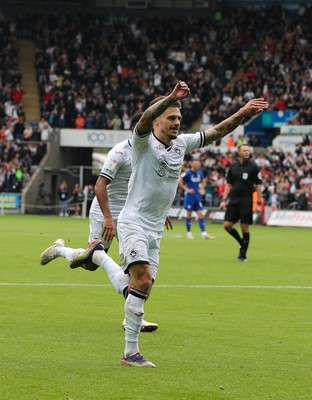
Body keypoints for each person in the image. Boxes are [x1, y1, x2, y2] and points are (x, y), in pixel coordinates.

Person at [62, 81, 268, 368]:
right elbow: (144, 119)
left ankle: (96, 256)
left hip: (155, 228)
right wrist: (170, 97)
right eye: (171, 117)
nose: (176, 122)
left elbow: (218, 131)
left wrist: (243, 112)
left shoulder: (182, 144)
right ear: (157, 120)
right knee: (142, 279)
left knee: (140, 287)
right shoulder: (142, 142)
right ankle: (130, 354)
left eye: (179, 118)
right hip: (132, 221)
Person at [40, 113, 160, 332]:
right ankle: (60, 250)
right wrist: (107, 217)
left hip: (132, 216)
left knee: (137, 266)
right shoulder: (120, 151)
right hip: (105, 212)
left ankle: (132, 317)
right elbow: (100, 186)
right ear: (135, 129)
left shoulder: (150, 153)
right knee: (90, 265)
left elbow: (149, 184)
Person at [220, 144, 263, 262]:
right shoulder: (233, 167)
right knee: (227, 225)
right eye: (244, 150)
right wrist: (224, 200)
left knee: (244, 227)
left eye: (248, 150)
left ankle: (243, 255)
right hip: (234, 199)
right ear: (239, 152)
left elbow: (259, 186)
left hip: (246, 200)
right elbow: (228, 185)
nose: (247, 152)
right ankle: (242, 243)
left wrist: (258, 202)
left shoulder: (254, 167)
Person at [178, 159, 214, 240]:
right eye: (195, 163)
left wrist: (201, 188)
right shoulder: (187, 173)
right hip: (189, 196)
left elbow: (203, 181)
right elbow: (179, 181)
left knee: (201, 214)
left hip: (197, 196)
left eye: (198, 163)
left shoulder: (200, 173)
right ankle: (189, 233)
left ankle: (204, 233)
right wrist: (187, 190)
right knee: (189, 215)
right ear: (192, 165)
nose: (197, 165)